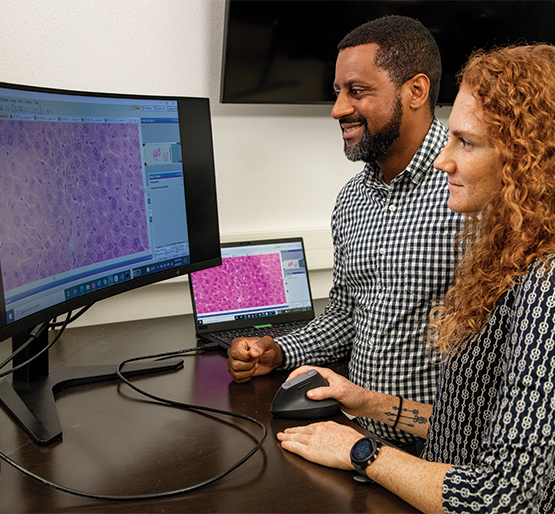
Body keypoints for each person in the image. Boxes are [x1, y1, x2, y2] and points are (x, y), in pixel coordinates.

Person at [277, 43, 555, 513]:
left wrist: (358, 452)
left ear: (533, 158)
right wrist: (364, 401)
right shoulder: (511, 256)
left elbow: (505, 499)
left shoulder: (546, 288)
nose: (445, 160)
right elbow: (468, 425)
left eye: (465, 142)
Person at [227, 15, 463, 452]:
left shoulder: (473, 188)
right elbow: (344, 315)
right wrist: (276, 351)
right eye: (337, 92)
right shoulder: (352, 200)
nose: (337, 109)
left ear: (416, 91)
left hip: (442, 450)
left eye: (357, 91)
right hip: (357, 433)